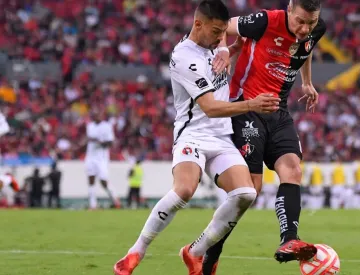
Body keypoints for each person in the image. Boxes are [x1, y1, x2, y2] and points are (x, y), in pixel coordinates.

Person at [113, 1, 280, 274]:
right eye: (216, 32)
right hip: (193, 134)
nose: (219, 37)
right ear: (198, 24)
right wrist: (252, 104)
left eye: (222, 32)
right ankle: (136, 251)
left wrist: (227, 47)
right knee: (185, 190)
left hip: (222, 137)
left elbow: (225, 35)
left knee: (246, 193)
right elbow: (211, 108)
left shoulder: (215, 41)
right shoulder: (184, 58)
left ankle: (195, 252)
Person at [204, 1, 327, 272]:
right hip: (247, 106)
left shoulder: (316, 29)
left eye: (312, 22)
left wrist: (307, 82)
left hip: (278, 111)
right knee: (251, 189)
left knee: (293, 169)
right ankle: (212, 249)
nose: (305, 28)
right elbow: (223, 24)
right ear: (289, 9)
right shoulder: (265, 21)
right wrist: (224, 49)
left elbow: (306, 49)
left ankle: (289, 240)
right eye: (300, 21)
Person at [85, 110, 120, 209]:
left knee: (103, 180)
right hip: (90, 156)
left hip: (102, 158)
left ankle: (115, 198)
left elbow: (110, 143)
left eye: (99, 115)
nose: (97, 117)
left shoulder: (107, 126)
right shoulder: (90, 126)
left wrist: (98, 141)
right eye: (95, 115)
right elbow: (89, 139)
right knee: (90, 178)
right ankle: (93, 205)